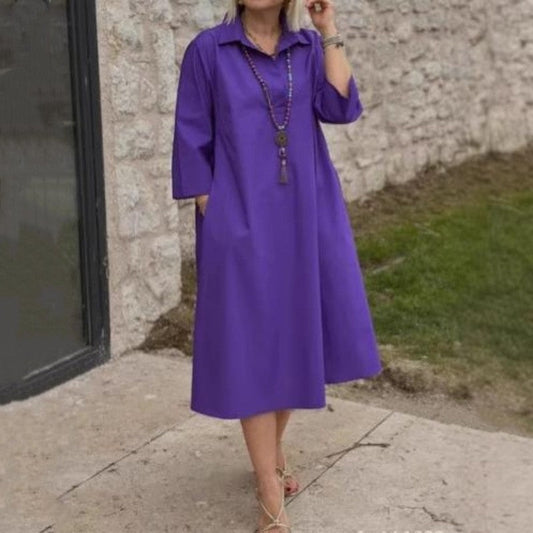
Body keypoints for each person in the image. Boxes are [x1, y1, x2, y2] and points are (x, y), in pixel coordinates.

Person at [171, 1, 383, 530]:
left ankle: (272, 452)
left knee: (295, 337)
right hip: (240, 218)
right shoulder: (208, 51)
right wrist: (214, 211)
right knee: (252, 348)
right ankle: (268, 486)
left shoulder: (307, 49)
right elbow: (191, 137)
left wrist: (327, 28)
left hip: (307, 215)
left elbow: (340, 107)